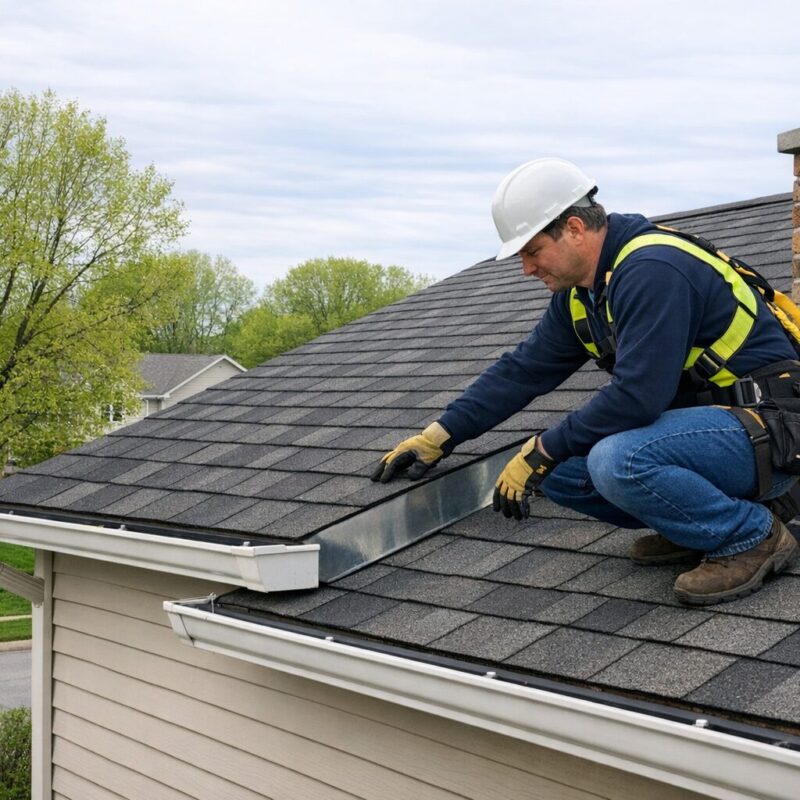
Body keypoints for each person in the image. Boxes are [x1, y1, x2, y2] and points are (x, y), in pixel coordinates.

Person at [371, 157, 800, 607]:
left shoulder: (654, 268)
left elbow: (638, 398)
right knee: (559, 471)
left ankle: (750, 535)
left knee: (616, 459)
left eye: (532, 251)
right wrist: (441, 435)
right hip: (716, 435)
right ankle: (695, 526)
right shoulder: (583, 295)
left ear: (574, 228)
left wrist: (543, 448)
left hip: (773, 432)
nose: (527, 269)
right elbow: (524, 370)